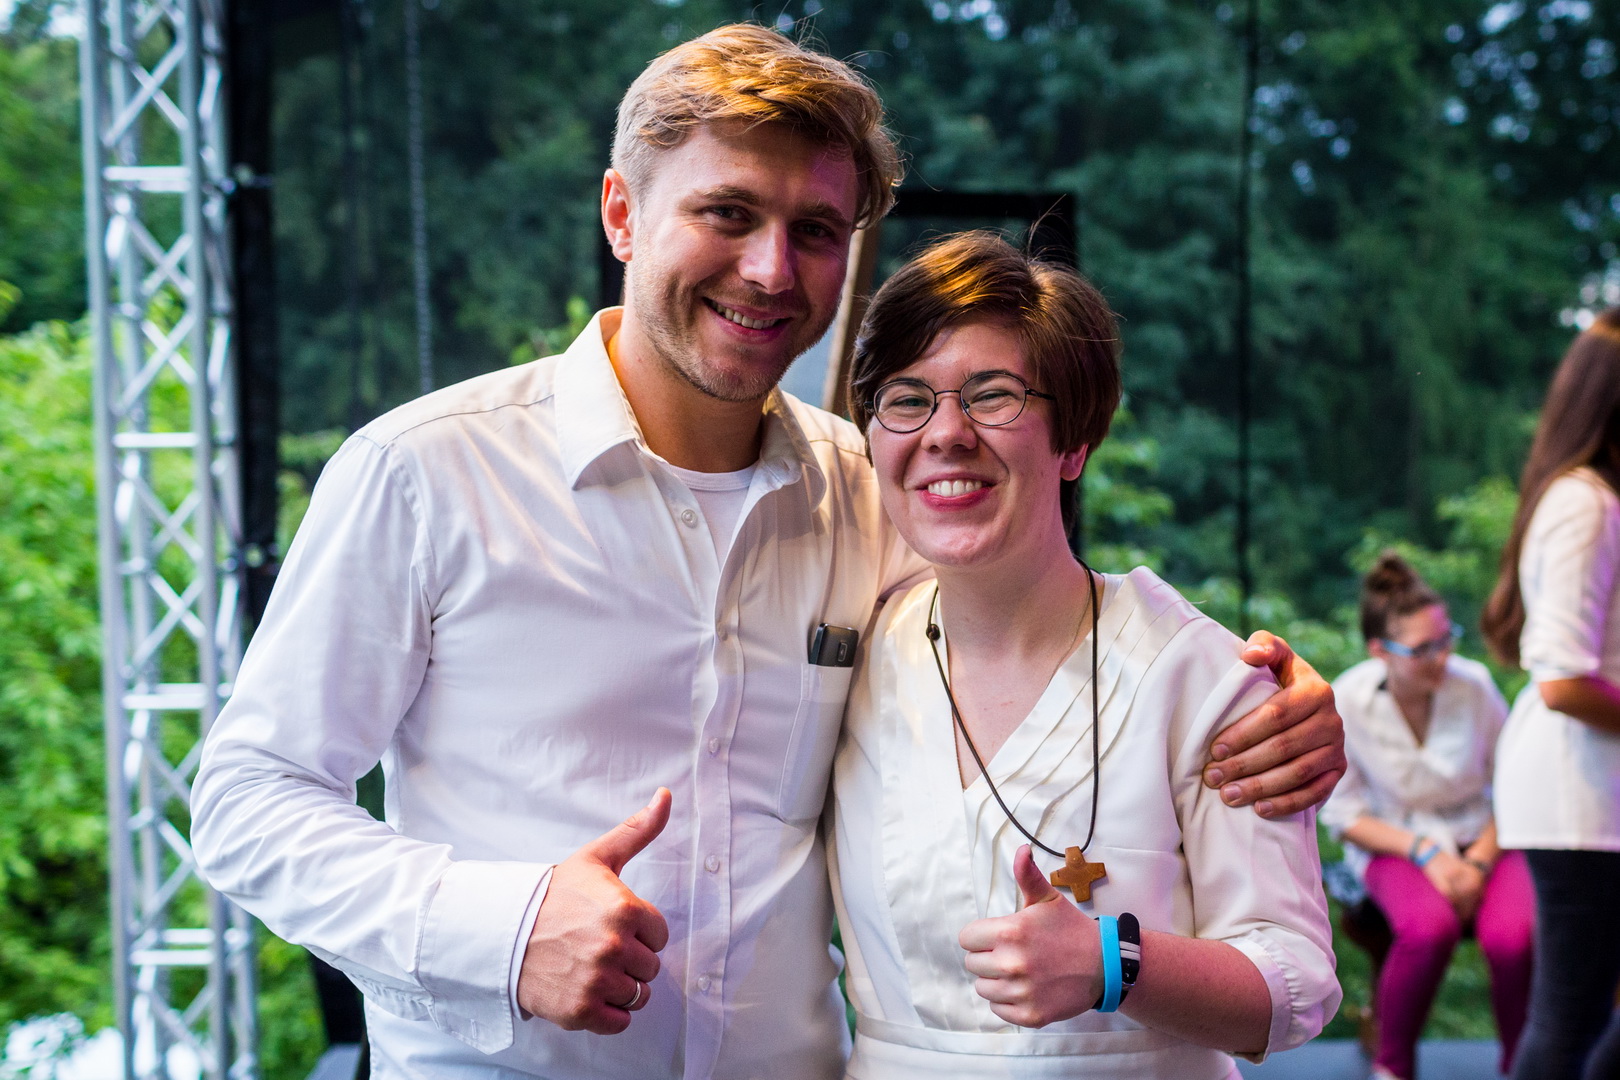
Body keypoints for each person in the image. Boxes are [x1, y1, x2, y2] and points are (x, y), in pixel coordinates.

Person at [191, 26, 1345, 1079]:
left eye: (816, 232)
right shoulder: (428, 473)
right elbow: (247, 802)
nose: (771, 270)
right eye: (728, 213)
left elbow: (1039, 622)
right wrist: (503, 927)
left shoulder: (868, 491)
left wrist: (1279, 700)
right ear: (621, 214)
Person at [826, 231, 1340, 1080]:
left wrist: (1116, 962)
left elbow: (1299, 985)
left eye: (993, 396)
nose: (946, 433)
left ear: (1074, 442)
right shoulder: (846, 656)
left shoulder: (1198, 678)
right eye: (907, 399)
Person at [1320, 552, 1532, 1080]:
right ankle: (1393, 1066)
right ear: (1379, 650)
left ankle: (1524, 1065)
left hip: (1486, 834)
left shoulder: (1474, 684)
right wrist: (1427, 853)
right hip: (1394, 841)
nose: (1441, 656)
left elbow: (1515, 784)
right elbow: (1344, 815)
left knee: (1514, 937)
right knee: (1427, 929)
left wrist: (1479, 862)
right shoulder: (1347, 698)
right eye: (1422, 649)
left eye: (1446, 639)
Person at [1483, 308, 1620, 1080]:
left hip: (1592, 794)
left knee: (1580, 1018)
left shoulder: (1591, 497)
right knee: (1570, 1019)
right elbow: (1564, 679)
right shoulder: (1585, 502)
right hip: (1577, 798)